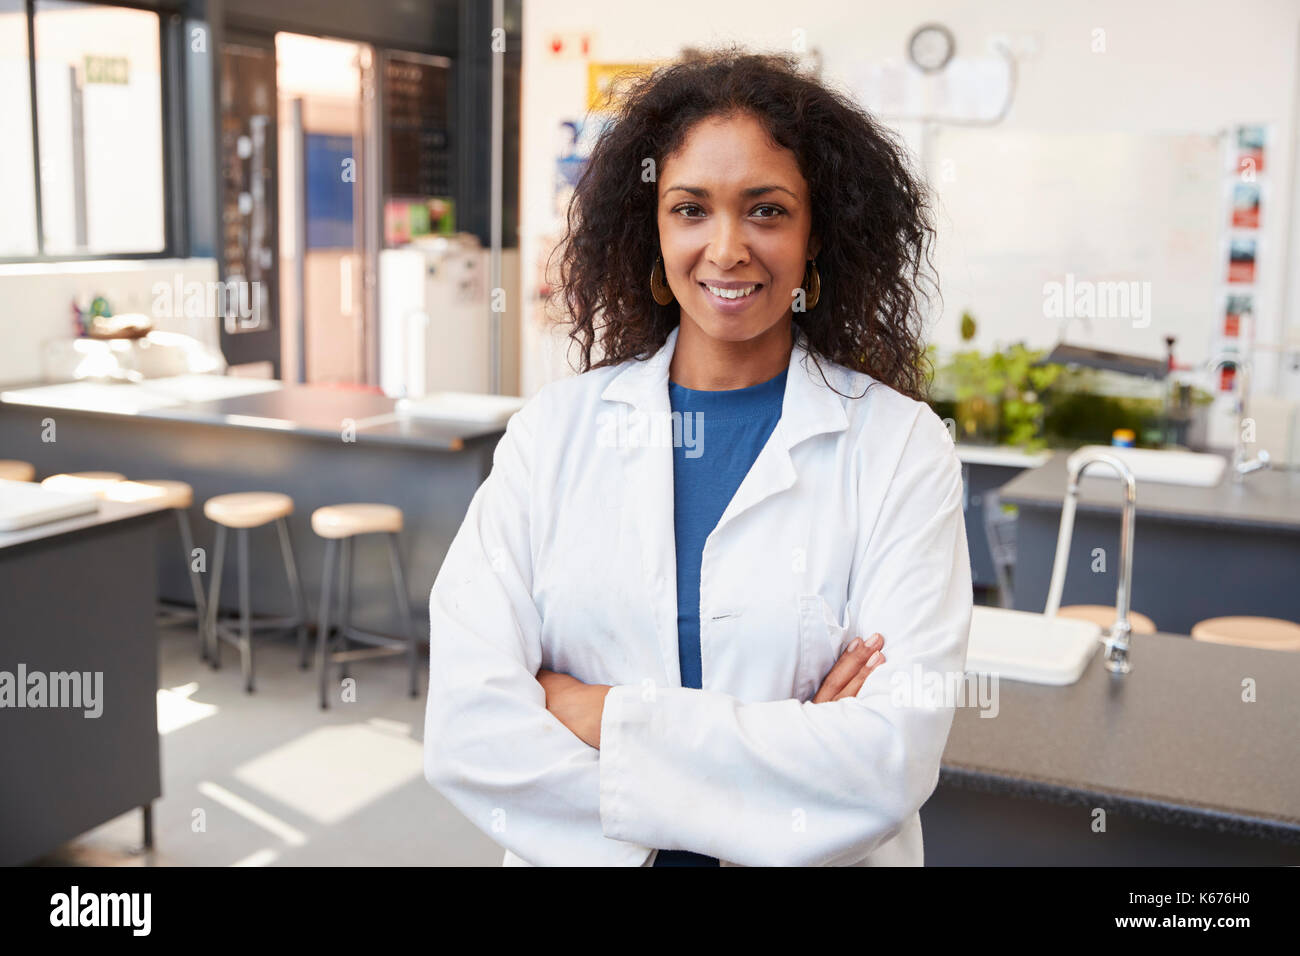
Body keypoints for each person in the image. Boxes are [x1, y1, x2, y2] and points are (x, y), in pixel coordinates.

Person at [423, 48, 972, 866]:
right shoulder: (555, 432)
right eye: (690, 209)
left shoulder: (900, 449)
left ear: (816, 232)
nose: (727, 249)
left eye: (767, 210)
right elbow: (468, 731)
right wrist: (792, 746)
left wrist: (597, 713)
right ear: (651, 227)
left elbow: (884, 762)